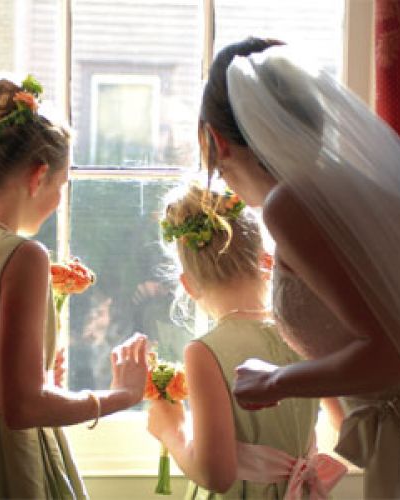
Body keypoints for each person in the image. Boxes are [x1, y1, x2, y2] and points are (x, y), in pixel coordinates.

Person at [198, 36, 400, 498]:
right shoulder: (348, 192)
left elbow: (395, 354)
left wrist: (276, 381)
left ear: (217, 141)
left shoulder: (292, 204)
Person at [0, 75, 147, 499]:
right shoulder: (23, 256)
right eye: (61, 186)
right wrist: (120, 395)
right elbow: (22, 408)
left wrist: (24, 385)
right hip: (9, 469)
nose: (58, 200)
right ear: (38, 176)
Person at [147, 183, 346, 499]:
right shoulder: (303, 330)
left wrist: (170, 430)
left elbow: (216, 475)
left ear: (188, 285)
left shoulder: (204, 352)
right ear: (266, 262)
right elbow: (344, 422)